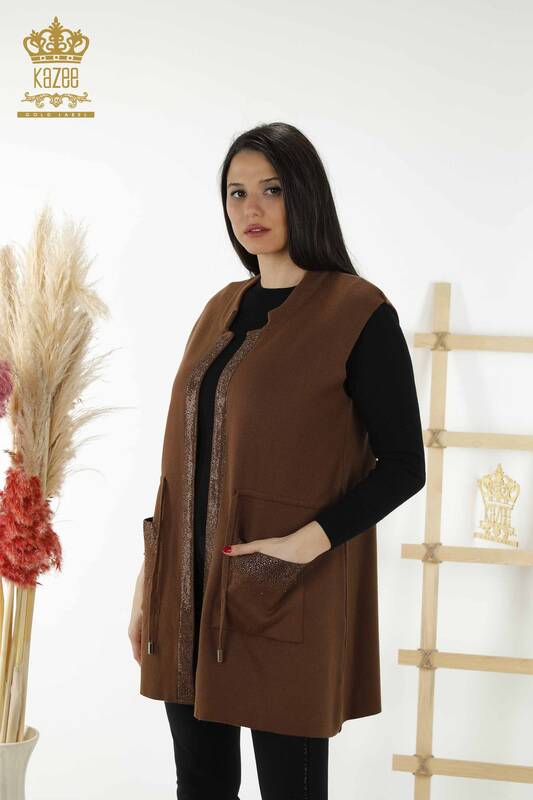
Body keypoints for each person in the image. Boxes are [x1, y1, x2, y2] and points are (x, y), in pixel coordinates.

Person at [128, 121, 426, 799]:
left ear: (305, 195)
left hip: (286, 591)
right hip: (187, 591)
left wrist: (301, 546)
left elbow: (404, 464)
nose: (251, 209)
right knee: (199, 785)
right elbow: (186, 456)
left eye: (271, 189)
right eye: (236, 193)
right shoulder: (219, 309)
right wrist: (149, 577)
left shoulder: (357, 312)